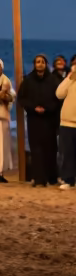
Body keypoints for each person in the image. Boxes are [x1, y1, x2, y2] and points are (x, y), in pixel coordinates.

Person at [18, 55, 60, 187]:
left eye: (42, 62)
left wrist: (47, 108)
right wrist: (34, 108)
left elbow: (58, 99)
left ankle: (50, 178)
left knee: (50, 149)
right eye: (37, 62)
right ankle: (38, 179)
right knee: (36, 149)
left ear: (46, 64)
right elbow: (22, 98)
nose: (40, 64)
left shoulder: (53, 80)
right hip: (34, 119)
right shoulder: (28, 80)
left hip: (49, 120)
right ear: (34, 64)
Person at [56, 57, 76, 190]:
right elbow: (59, 94)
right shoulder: (70, 79)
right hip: (67, 123)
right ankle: (68, 180)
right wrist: (70, 78)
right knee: (67, 153)